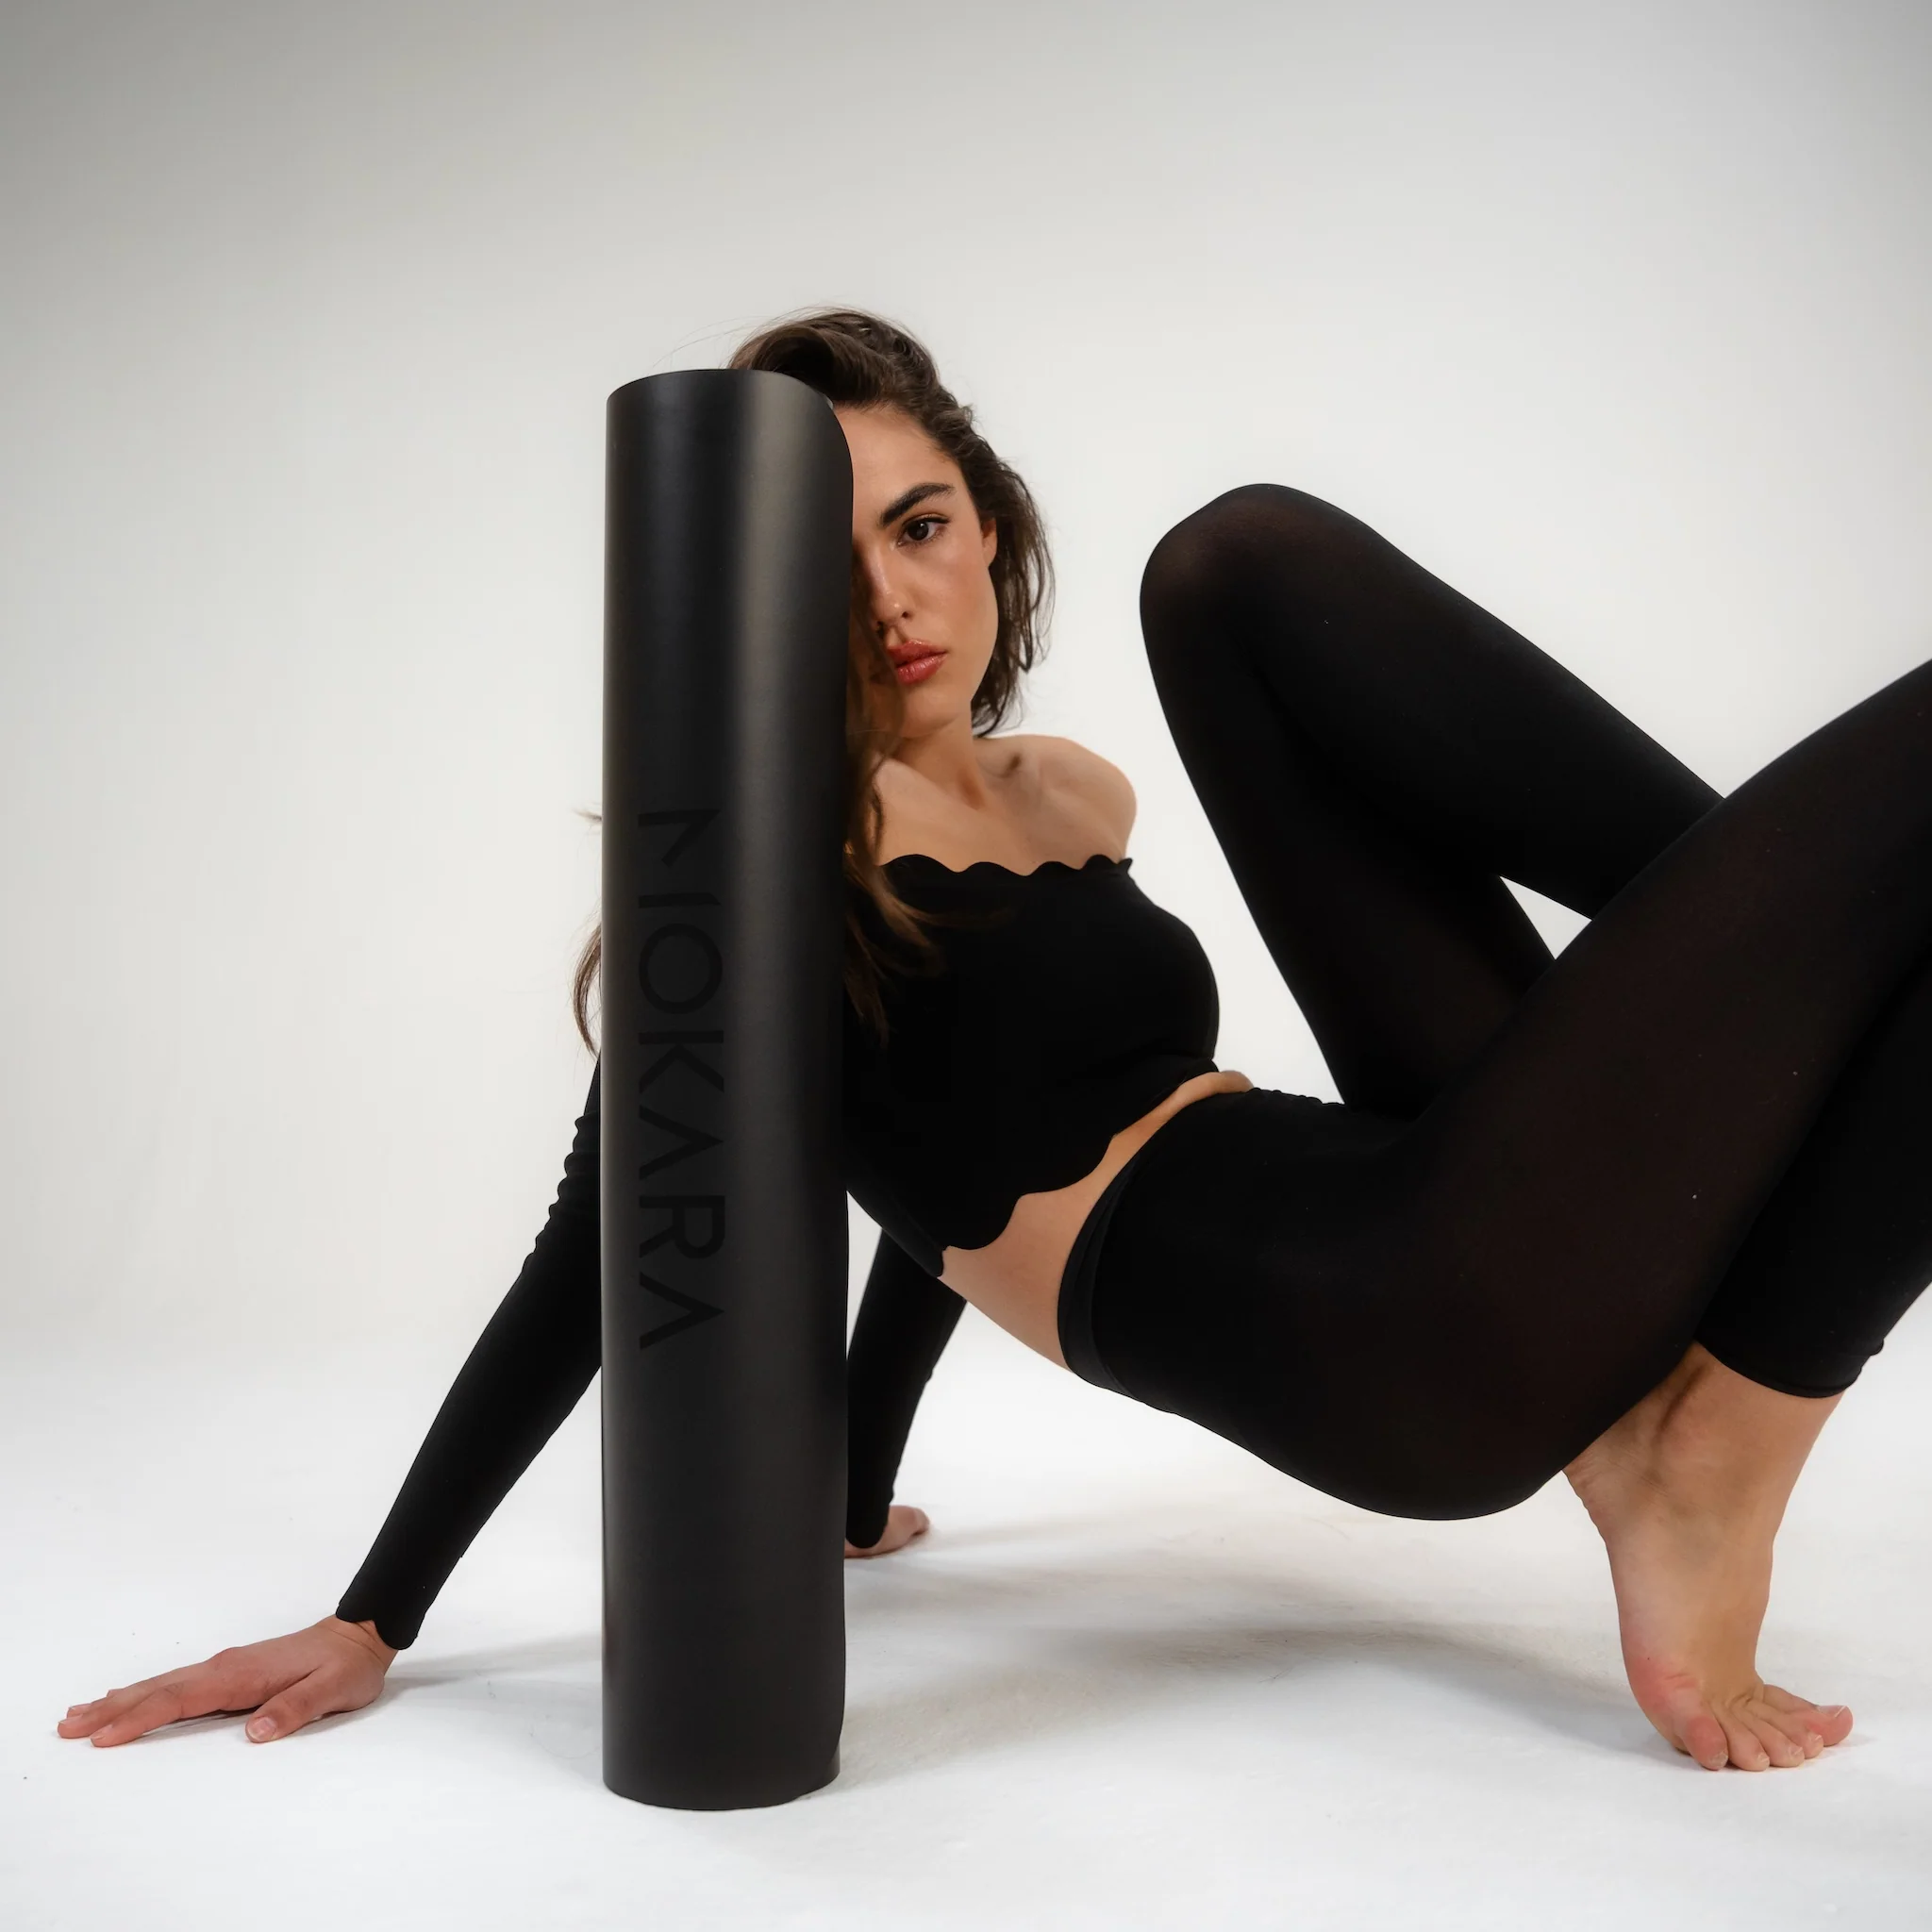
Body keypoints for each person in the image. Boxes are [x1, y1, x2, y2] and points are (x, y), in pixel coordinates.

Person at [60, 309, 1932, 1776]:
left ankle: (1826, 961)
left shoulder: (1065, 792)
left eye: (921, 525)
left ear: (986, 525)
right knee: (1249, 561)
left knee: (1225, 573)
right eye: (820, 558)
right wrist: (375, 1613)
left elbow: (938, 1175)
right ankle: (1728, 1390)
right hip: (1401, 1323)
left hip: (1407, 1199)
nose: (891, 599)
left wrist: (854, 1481)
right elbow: (598, 1251)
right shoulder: (768, 875)